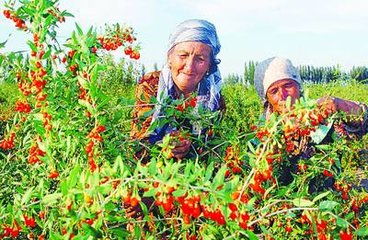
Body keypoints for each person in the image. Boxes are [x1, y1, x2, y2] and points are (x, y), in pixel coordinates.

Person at [253, 56, 368, 191]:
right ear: (267, 98)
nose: (283, 95)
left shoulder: (318, 112)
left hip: (326, 197)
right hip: (284, 202)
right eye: (274, 91)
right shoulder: (263, 132)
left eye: (288, 85)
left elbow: (364, 120)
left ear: (299, 86)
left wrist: (339, 104)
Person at [131, 19, 225, 161]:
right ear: (170, 58)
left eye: (200, 59)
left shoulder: (214, 98)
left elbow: (212, 149)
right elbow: (138, 143)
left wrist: (190, 146)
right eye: (183, 55)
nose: (189, 67)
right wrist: (167, 144)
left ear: (209, 65)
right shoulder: (151, 85)